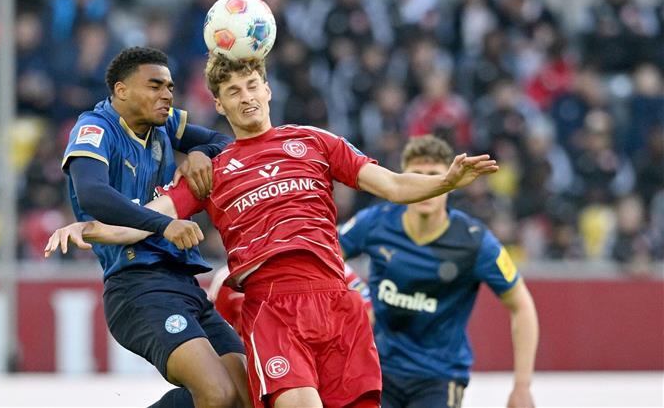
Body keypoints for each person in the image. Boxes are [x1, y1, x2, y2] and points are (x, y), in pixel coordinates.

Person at [47, 54, 498, 408]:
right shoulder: (213, 172)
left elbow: (395, 185)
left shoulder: (317, 142)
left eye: (251, 86)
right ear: (219, 104)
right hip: (274, 309)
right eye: (231, 92)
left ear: (267, 89)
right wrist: (88, 228)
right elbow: (150, 219)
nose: (245, 98)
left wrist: (445, 182)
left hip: (338, 303)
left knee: (238, 397)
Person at [58, 46, 250, 408]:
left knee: (247, 397)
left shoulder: (164, 125)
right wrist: (165, 225)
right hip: (137, 286)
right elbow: (93, 194)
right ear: (121, 90)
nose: (166, 95)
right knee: (217, 394)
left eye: (170, 88)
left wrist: (199, 153)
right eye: (155, 86)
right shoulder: (95, 128)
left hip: (184, 285)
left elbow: (224, 143)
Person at [338, 135, 538, 408]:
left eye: (433, 175)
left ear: (450, 183)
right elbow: (323, 254)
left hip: (439, 377)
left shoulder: (474, 241)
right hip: (377, 368)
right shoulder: (376, 222)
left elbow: (522, 306)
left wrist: (522, 387)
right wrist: (359, 293)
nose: (424, 184)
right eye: (416, 175)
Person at [206, 262, 373, 336]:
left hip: (324, 369)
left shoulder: (337, 268)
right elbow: (219, 335)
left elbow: (367, 314)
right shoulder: (227, 278)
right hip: (252, 373)